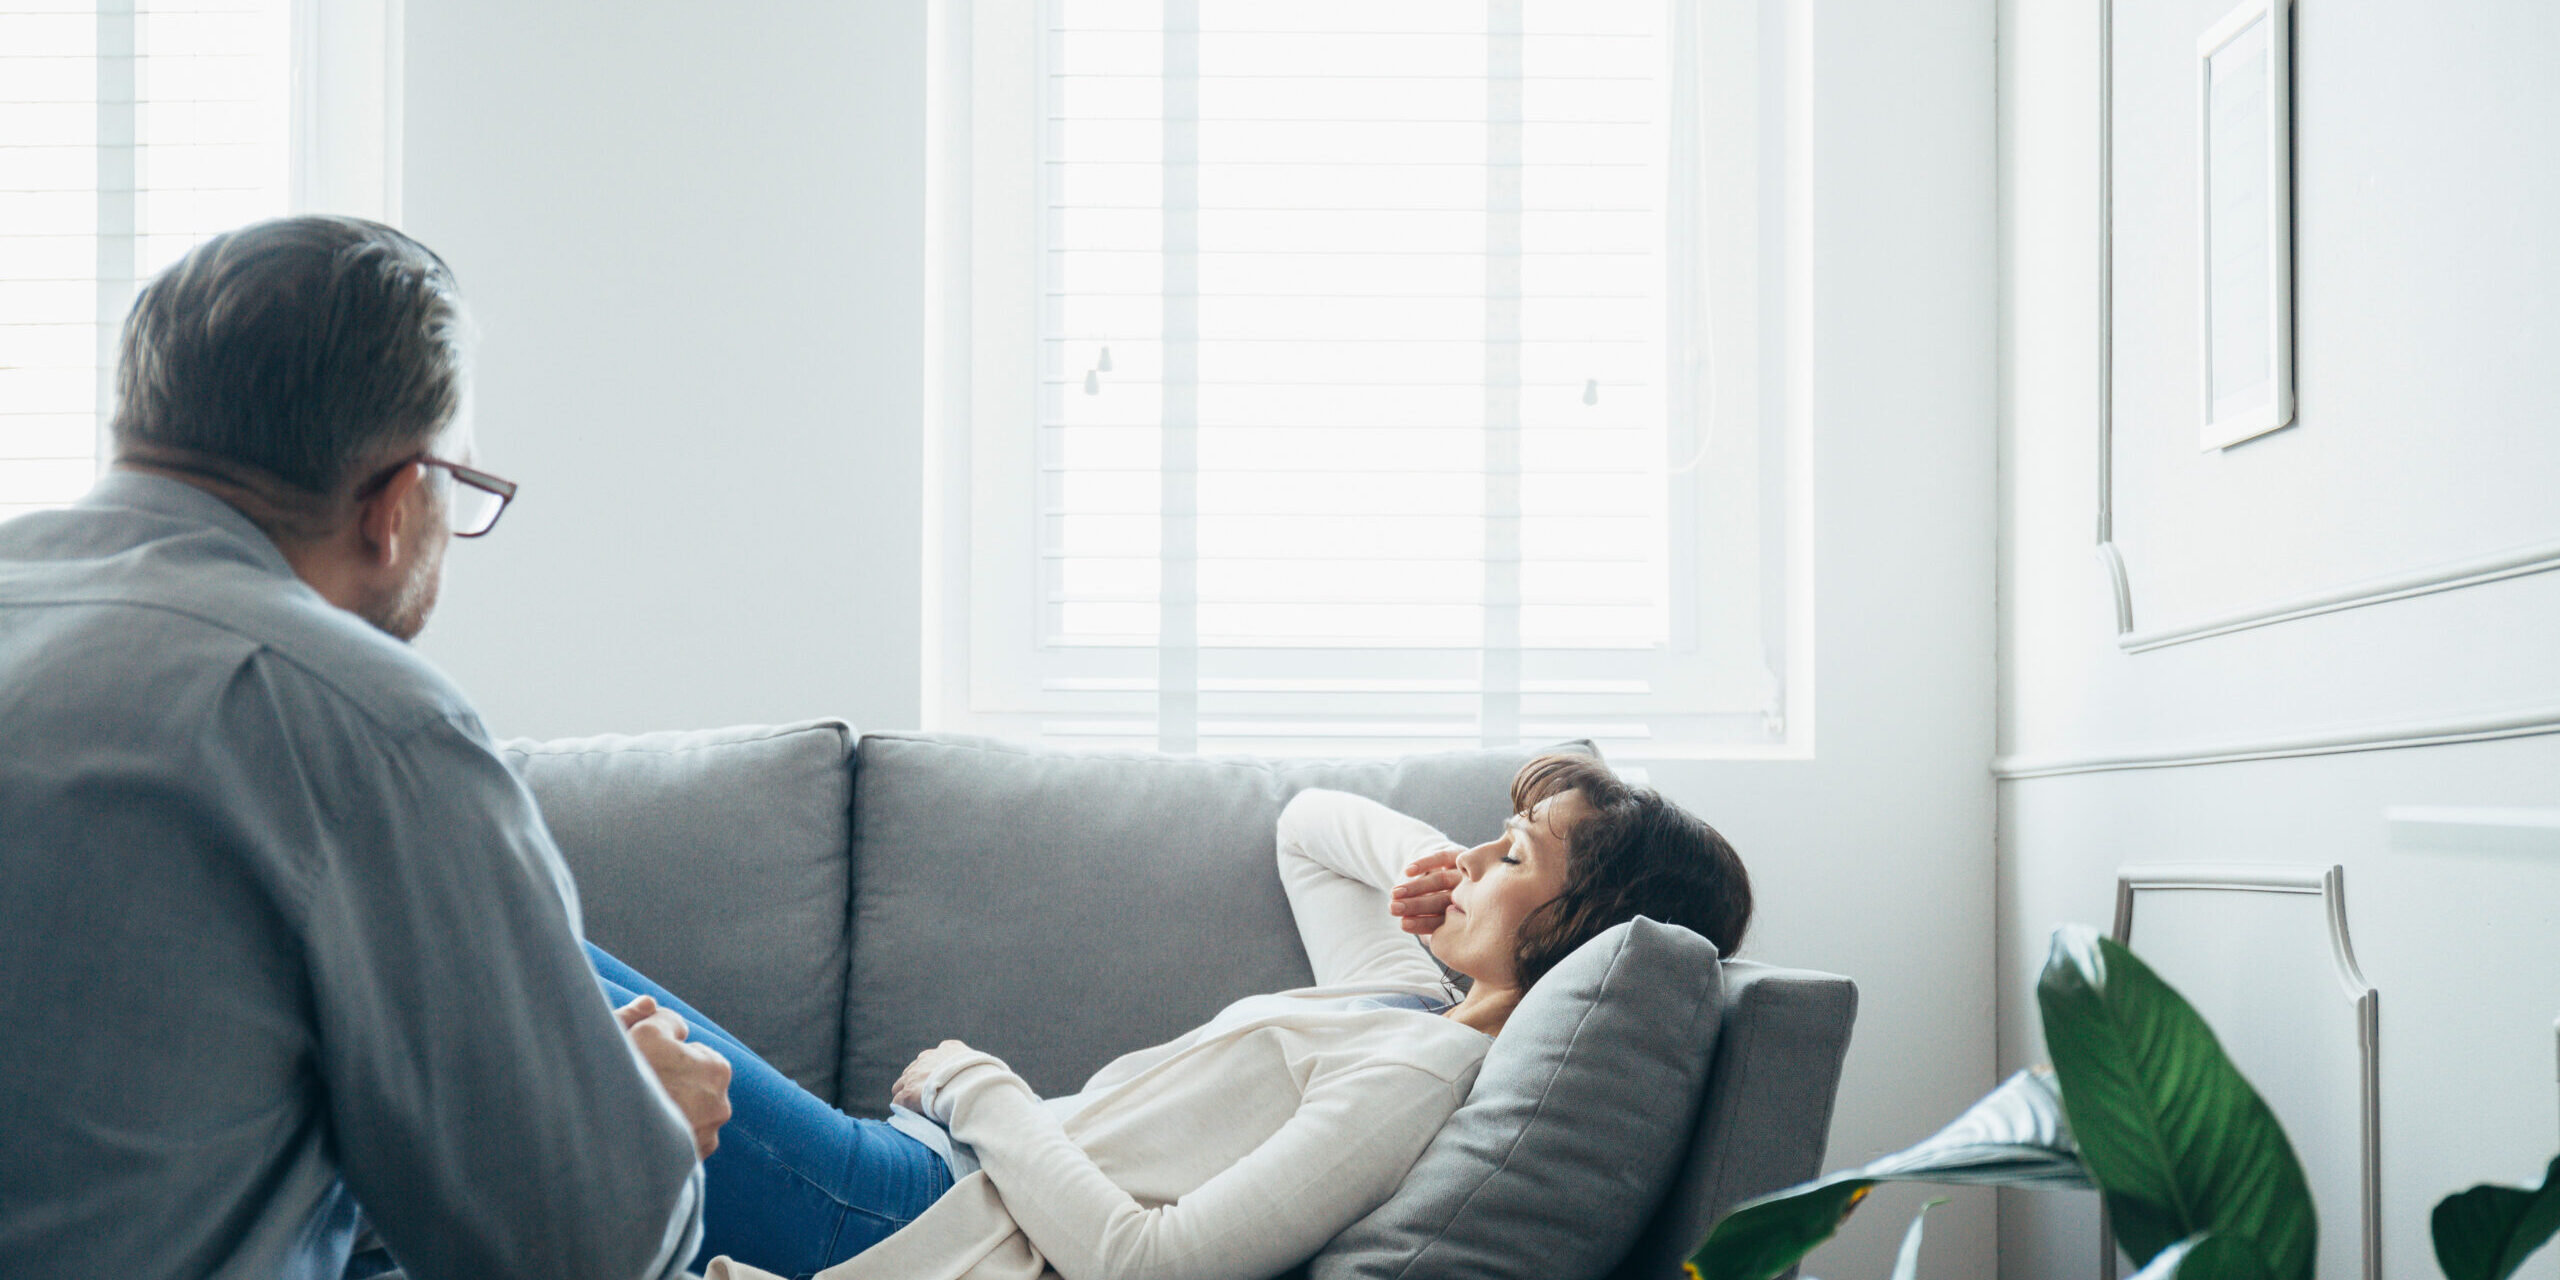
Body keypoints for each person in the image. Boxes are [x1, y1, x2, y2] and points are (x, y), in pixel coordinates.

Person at [0, 215, 732, 1279]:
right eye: (460, 489)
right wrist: (638, 1130)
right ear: (394, 504)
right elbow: (590, 1257)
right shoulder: (362, 726)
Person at [593, 752, 1752, 1280]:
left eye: (1514, 854)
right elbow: (1307, 826)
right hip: (913, 1174)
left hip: (911, 1217)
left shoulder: (1416, 1075)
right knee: (543, 979)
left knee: (541, 984)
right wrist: (1442, 864)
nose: (1474, 860)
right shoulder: (1403, 995)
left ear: (1581, 920)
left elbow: (1151, 1261)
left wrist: (978, 1085)